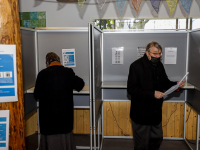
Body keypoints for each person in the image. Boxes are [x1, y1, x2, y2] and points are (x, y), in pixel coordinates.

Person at [127, 42, 185, 150]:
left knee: (157, 139)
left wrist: (176, 84)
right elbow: (131, 89)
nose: (157, 56)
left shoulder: (159, 65)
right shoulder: (136, 66)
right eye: (155, 54)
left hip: (155, 112)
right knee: (142, 145)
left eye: (159, 54)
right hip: (141, 114)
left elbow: (165, 83)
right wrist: (152, 93)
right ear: (147, 53)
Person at [34, 52, 85, 150]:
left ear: (47, 62)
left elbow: (36, 95)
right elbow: (80, 84)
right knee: (64, 131)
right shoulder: (68, 72)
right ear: (59, 61)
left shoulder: (42, 74)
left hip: (48, 120)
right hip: (64, 119)